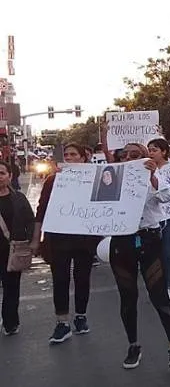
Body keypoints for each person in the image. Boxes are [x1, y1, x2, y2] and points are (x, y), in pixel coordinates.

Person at [108, 143, 170, 370]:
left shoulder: (155, 176)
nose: (130, 159)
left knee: (159, 294)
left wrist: (152, 177)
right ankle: (133, 345)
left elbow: (166, 197)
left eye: (137, 156)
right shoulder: (112, 179)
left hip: (149, 240)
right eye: (126, 156)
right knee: (127, 296)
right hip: (121, 243)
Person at [36, 143, 100, 344]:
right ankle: (62, 322)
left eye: (74, 154)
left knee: (82, 278)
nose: (70, 158)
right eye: (66, 155)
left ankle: (81, 316)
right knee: (60, 279)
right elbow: (41, 209)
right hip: (59, 238)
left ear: (83, 158)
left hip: (84, 238)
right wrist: (36, 240)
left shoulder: (94, 180)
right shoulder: (53, 181)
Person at [0, 161, 36, 336]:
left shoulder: (19, 198)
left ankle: (10, 322)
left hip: (12, 251)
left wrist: (31, 241)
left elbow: (30, 220)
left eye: (2, 173)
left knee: (11, 288)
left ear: (10, 176)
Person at [148, 138, 170, 303]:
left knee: (167, 253)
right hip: (153, 217)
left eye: (154, 149)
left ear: (164, 152)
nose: (151, 153)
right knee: (153, 255)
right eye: (149, 150)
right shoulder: (144, 168)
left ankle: (168, 286)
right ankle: (155, 286)